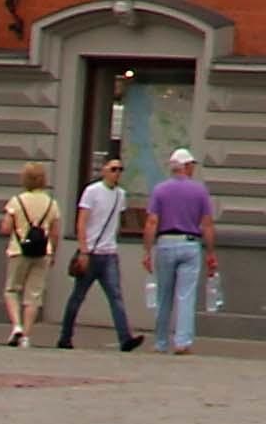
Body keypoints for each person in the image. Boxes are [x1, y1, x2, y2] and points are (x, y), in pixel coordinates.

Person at [58, 151, 139, 352]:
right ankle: (65, 337)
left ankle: (125, 338)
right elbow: (82, 222)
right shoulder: (92, 191)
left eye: (120, 170)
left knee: (115, 296)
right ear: (104, 171)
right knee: (78, 296)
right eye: (113, 169)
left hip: (109, 253)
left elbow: (118, 221)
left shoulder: (121, 195)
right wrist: (84, 250)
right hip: (91, 252)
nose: (117, 173)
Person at [150, 149, 217, 356]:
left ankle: (160, 343)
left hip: (165, 243)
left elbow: (152, 222)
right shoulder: (199, 192)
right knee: (186, 296)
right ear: (186, 167)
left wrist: (146, 250)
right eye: (192, 165)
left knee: (163, 296)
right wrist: (211, 252)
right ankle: (183, 342)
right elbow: (206, 224)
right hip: (190, 244)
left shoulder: (160, 190)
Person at [0, 159, 61, 346]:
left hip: (19, 251)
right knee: (33, 295)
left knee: (11, 290)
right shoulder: (51, 203)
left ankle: (16, 326)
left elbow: (6, 228)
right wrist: (53, 252)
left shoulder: (16, 201)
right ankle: (26, 336)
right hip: (43, 253)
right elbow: (55, 232)